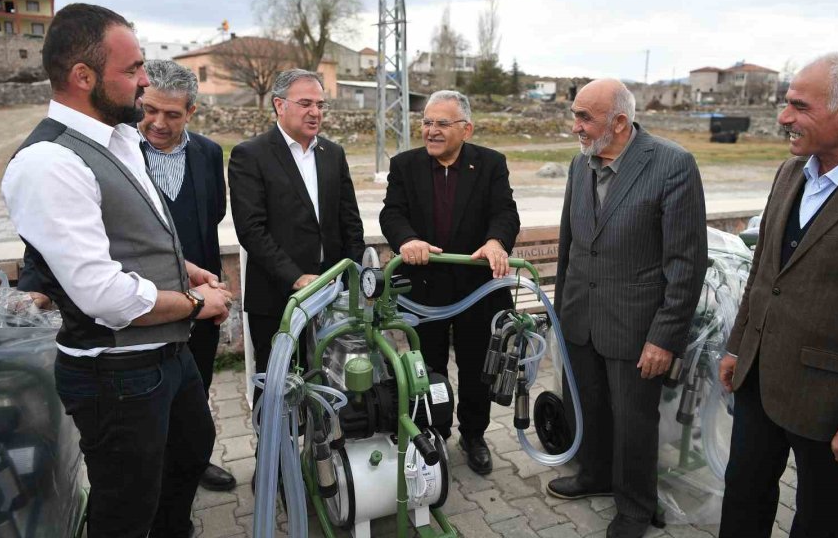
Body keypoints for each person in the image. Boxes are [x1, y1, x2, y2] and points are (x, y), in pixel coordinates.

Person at [1, 3, 232, 538]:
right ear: (83, 76)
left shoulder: (120, 137)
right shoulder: (49, 162)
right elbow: (104, 294)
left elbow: (136, 242)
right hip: (116, 374)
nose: (145, 80)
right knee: (126, 507)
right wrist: (199, 304)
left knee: (189, 454)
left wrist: (189, 270)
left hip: (164, 358)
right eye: (132, 70)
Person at [718, 52, 838, 538]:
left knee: (819, 521)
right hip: (758, 381)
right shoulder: (792, 172)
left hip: (834, 406)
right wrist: (737, 346)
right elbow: (765, 272)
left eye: (799, 106)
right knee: (743, 497)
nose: (784, 117)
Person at [546, 79, 707, 538]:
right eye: (575, 115)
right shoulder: (581, 166)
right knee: (589, 406)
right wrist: (561, 312)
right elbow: (569, 245)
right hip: (581, 314)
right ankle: (594, 474)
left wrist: (664, 337)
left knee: (634, 423)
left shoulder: (672, 165)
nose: (575, 126)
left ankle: (636, 507)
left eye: (584, 118)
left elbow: (686, 263)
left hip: (637, 327)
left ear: (619, 122)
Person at [228, 69, 364, 484]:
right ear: (279, 105)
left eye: (320, 105)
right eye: (305, 103)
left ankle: (322, 460)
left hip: (332, 295)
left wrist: (355, 273)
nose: (315, 112)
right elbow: (252, 230)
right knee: (277, 387)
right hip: (279, 298)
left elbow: (349, 220)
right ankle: (271, 465)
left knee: (325, 381)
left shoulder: (332, 153)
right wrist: (297, 278)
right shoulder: (251, 155)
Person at [379, 89, 520, 475]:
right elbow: (392, 213)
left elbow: (505, 212)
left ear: (466, 129)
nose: (431, 131)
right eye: (426, 122)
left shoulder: (490, 164)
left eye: (442, 123)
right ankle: (435, 433)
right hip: (425, 291)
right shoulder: (404, 165)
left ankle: (474, 435)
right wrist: (407, 240)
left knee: (478, 369)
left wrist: (495, 241)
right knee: (428, 368)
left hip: (478, 291)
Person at [137, 59, 236, 492]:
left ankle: (192, 463)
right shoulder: (119, 153)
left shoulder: (209, 153)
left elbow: (213, 215)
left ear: (191, 112)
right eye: (149, 110)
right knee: (149, 399)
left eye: (172, 114)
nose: (157, 123)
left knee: (197, 385)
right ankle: (154, 477)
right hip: (143, 301)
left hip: (202, 296)